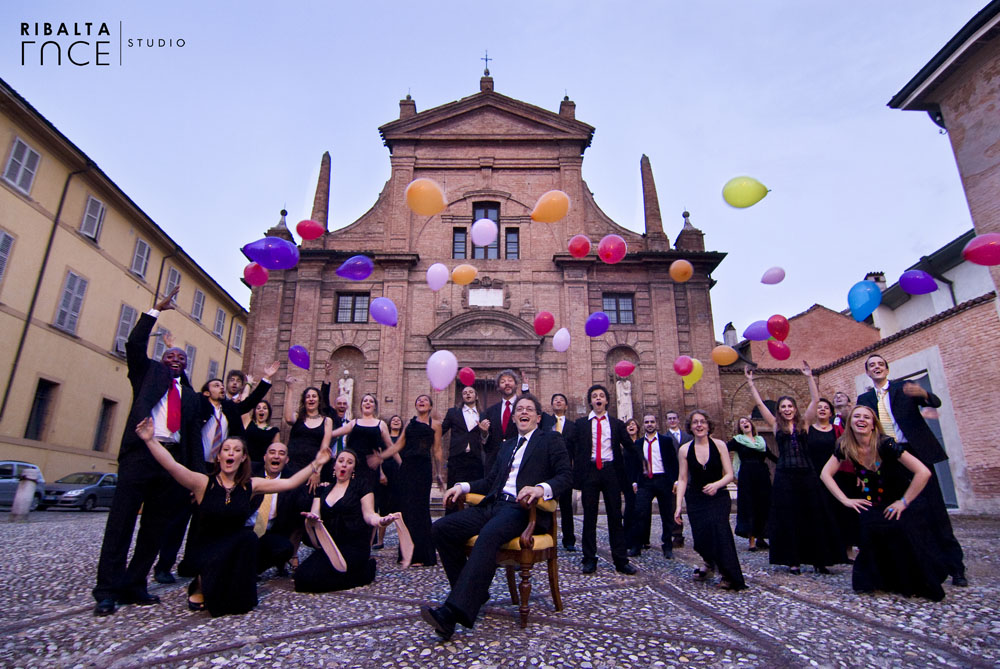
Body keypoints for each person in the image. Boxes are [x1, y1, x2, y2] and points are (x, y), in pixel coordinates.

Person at [136, 418, 330, 616]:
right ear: (218, 456)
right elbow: (172, 466)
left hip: (235, 547)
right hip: (207, 548)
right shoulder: (203, 484)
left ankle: (234, 584)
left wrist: (317, 463)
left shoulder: (251, 485)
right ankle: (201, 582)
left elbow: (290, 483)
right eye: (226, 449)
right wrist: (150, 440)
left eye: (236, 450)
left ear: (243, 457)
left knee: (247, 539)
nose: (231, 453)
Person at [92, 288, 205, 616]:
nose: (175, 360)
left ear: (186, 367)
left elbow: (193, 437)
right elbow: (134, 345)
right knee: (121, 523)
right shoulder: (146, 374)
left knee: (155, 528)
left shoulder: (190, 396)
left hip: (171, 462)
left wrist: (197, 478)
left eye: (181, 359)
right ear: (161, 360)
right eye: (171, 356)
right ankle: (107, 589)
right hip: (140, 455)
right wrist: (155, 311)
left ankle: (134, 583)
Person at [421, 394, 572, 640]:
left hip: (523, 510)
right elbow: (491, 482)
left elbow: (565, 476)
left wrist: (540, 488)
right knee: (442, 529)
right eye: (519, 409)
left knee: (489, 535)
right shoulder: (507, 445)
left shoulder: (550, 440)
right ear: (514, 418)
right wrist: (464, 486)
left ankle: (452, 613)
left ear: (537, 416)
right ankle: (474, 593)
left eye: (529, 409)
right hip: (494, 505)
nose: (523, 412)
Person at [155, 368, 277, 583]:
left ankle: (192, 563)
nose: (221, 387)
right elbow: (187, 390)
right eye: (216, 385)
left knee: (204, 521)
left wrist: (266, 379)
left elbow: (249, 404)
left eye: (222, 385)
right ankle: (164, 566)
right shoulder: (199, 406)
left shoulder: (229, 409)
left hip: (218, 468)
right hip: (196, 465)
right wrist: (180, 371)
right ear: (205, 392)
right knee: (179, 518)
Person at [856, 354, 968, 587]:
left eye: (880, 364)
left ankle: (955, 567)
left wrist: (924, 394)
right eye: (871, 366)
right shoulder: (864, 398)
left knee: (935, 509)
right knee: (896, 512)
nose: (876, 368)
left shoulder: (903, 388)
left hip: (915, 453)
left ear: (887, 369)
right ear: (867, 372)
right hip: (887, 457)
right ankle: (908, 567)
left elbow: (934, 403)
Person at [820, 405, 947, 600]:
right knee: (869, 530)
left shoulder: (886, 444)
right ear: (850, 423)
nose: (861, 420)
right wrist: (845, 500)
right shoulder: (845, 445)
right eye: (857, 417)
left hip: (902, 498)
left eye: (866, 417)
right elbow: (825, 474)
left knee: (903, 534)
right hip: (874, 501)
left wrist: (903, 502)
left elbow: (923, 472)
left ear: (873, 424)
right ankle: (881, 579)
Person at [745, 364, 844, 574]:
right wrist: (751, 383)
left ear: (795, 408)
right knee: (789, 517)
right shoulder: (775, 424)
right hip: (784, 476)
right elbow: (760, 404)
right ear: (779, 410)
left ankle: (819, 559)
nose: (787, 409)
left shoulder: (805, 422)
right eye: (783, 407)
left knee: (813, 515)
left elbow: (816, 401)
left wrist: (809, 377)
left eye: (790, 406)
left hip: (807, 474)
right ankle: (793, 559)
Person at [294, 449, 398, 593]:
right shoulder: (323, 490)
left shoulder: (362, 487)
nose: (344, 465)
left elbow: (369, 514)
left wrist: (381, 521)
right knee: (301, 578)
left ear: (353, 469)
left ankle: (365, 571)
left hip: (354, 545)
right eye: (341, 461)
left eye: (349, 462)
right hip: (331, 546)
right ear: (334, 465)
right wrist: (313, 519)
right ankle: (360, 573)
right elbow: (315, 511)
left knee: (319, 579)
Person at [570, 384, 637, 575]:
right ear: (590, 401)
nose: (598, 399)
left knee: (615, 517)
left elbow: (630, 447)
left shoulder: (616, 424)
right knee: (589, 517)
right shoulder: (581, 424)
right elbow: (571, 444)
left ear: (607, 400)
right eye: (594, 396)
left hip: (611, 473)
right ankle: (589, 559)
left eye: (601, 396)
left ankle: (621, 560)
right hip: (590, 472)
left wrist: (644, 462)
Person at [674, 410, 746, 590]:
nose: (699, 425)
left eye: (702, 422)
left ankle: (729, 576)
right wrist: (677, 506)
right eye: (695, 422)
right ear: (690, 427)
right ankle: (709, 563)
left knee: (720, 533)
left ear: (708, 425)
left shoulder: (720, 445)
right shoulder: (684, 450)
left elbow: (729, 474)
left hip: (718, 496)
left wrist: (716, 485)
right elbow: (682, 479)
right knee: (701, 538)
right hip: (696, 498)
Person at [375, 394, 445, 566]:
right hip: (407, 468)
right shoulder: (409, 423)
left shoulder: (435, 424)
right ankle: (407, 552)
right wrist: (381, 457)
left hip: (423, 469)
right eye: (418, 400)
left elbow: (437, 450)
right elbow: (398, 445)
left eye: (425, 400)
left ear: (430, 406)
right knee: (406, 509)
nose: (421, 401)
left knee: (420, 510)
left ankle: (422, 555)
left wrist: (440, 473)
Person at [283, 383, 335, 567]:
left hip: (310, 469)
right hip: (291, 470)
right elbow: (287, 417)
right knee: (285, 511)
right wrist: (289, 389)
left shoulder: (327, 421)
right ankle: (281, 553)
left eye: (314, 396)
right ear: (304, 401)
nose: (311, 399)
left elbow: (324, 448)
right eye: (308, 396)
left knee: (300, 512)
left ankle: (293, 553)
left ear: (319, 400)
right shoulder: (299, 418)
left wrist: (317, 471)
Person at [629, 414, 679, 558]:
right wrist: (634, 481)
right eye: (646, 422)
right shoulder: (638, 443)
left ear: (656, 423)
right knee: (639, 513)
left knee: (667, 515)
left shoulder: (666, 441)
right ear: (643, 425)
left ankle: (667, 546)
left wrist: (675, 481)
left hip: (663, 479)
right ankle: (636, 546)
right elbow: (634, 464)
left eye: (652, 422)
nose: (649, 424)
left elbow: (673, 462)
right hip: (645, 481)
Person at [247, 442, 296, 576]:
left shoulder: (291, 481)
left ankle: (253, 570)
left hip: (268, 532)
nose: (276, 456)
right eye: (272, 452)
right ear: (265, 457)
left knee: (284, 548)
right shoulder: (250, 472)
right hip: (245, 529)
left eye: (281, 454)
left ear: (287, 460)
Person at [326, 393, 395, 489]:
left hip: (371, 466)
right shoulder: (354, 423)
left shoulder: (381, 424)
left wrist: (402, 464)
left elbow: (391, 446)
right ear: (361, 405)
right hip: (353, 465)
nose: (368, 403)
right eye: (365, 401)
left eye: (371, 401)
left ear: (375, 406)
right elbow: (332, 434)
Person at [727, 417, 775, 551]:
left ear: (751, 425)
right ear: (740, 428)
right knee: (749, 505)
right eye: (741, 423)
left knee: (763, 505)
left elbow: (770, 455)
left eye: (746, 421)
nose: (744, 423)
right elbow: (723, 449)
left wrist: (785, 464)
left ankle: (761, 537)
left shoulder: (761, 441)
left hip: (762, 475)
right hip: (747, 476)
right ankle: (751, 539)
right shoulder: (738, 440)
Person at [541, 393, 577, 551]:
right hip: (548, 470)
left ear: (566, 406)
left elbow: (576, 449)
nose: (558, 402)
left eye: (562, 400)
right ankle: (546, 537)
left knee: (567, 507)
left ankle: (569, 540)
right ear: (551, 405)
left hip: (565, 471)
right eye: (555, 400)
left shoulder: (571, 426)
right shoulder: (545, 423)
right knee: (546, 506)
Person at [440, 386, 489, 490]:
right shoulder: (453, 412)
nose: (468, 394)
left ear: (476, 396)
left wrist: (484, 433)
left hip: (476, 458)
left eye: (471, 392)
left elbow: (486, 438)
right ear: (462, 397)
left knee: (475, 491)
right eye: (465, 393)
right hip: (457, 457)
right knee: (454, 492)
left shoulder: (483, 414)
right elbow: (441, 431)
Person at [373, 415, 405, 549]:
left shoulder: (404, 439)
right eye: (393, 420)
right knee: (383, 507)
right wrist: (380, 473)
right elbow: (378, 456)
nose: (396, 421)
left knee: (400, 507)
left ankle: (403, 541)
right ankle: (380, 541)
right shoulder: (383, 438)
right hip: (385, 474)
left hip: (400, 474)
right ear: (389, 424)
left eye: (398, 419)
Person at [482, 369, 520, 472]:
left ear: (516, 385)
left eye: (510, 380)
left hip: (518, 459)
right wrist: (484, 433)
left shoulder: (524, 407)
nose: (507, 383)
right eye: (503, 382)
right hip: (495, 462)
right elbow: (485, 441)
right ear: (498, 387)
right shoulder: (490, 411)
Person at [664, 411, 692, 548]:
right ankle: (677, 535)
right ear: (666, 422)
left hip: (690, 475)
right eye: (670, 419)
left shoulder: (688, 436)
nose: (672, 421)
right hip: (674, 477)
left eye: (674, 418)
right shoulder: (664, 438)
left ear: (678, 420)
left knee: (693, 504)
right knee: (674, 507)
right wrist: (674, 479)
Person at [622, 418, 642, 555]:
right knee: (629, 509)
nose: (631, 426)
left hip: (641, 479)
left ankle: (641, 539)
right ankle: (628, 539)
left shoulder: (642, 443)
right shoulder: (622, 445)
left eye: (633, 424)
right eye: (629, 425)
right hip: (628, 481)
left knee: (641, 511)